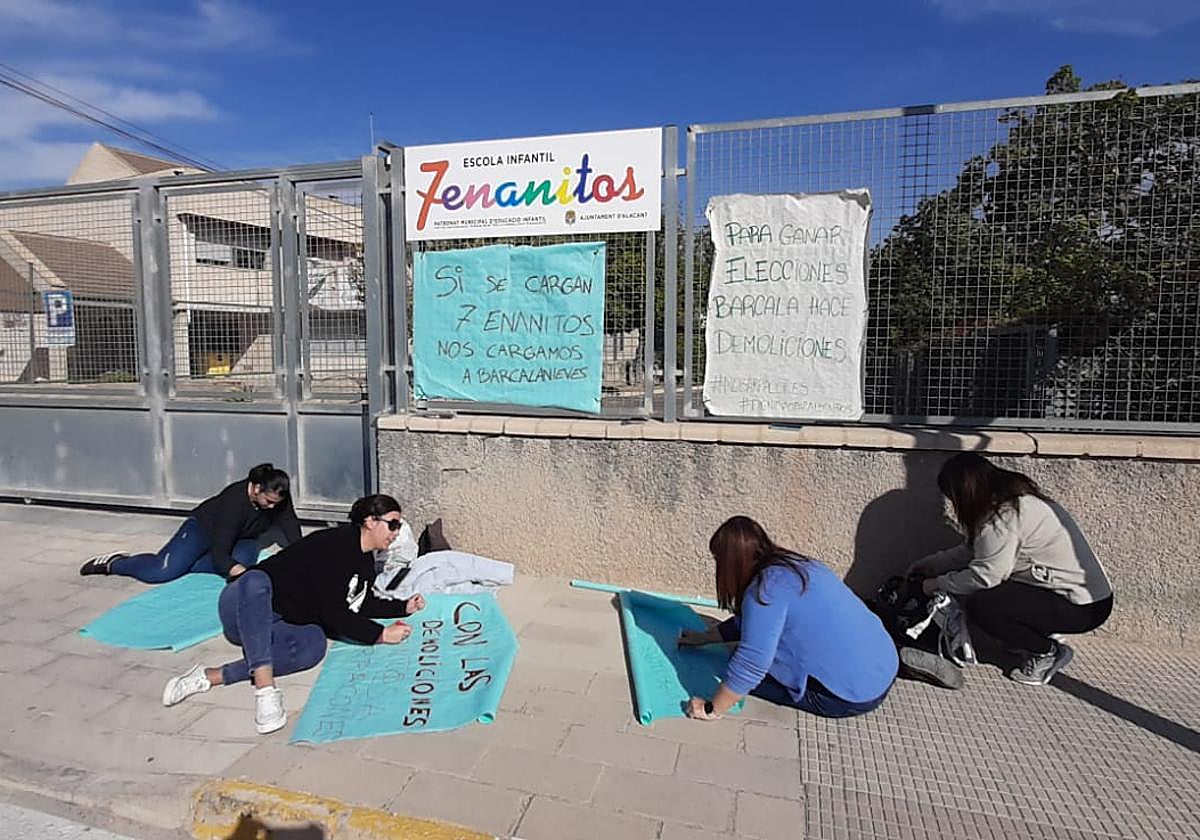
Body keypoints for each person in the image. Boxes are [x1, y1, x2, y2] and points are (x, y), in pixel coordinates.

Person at [159, 494, 426, 734]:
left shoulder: (366, 559)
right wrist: (379, 635)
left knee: (313, 645)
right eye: (393, 524)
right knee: (256, 579)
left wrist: (401, 607)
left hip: (277, 624)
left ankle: (209, 676)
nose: (396, 532)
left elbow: (359, 603)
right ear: (370, 521)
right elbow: (334, 613)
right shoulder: (332, 545)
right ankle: (265, 690)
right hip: (242, 606)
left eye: (399, 526)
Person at [908, 452, 1113, 686]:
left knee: (984, 606)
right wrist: (930, 564)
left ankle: (1046, 652)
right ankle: (1027, 637)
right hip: (1087, 598)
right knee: (996, 597)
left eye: (953, 500)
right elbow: (974, 551)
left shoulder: (1003, 518)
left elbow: (985, 576)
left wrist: (935, 584)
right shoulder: (1016, 501)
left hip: (1082, 607)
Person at [680, 516, 898, 721]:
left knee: (737, 662)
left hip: (851, 698)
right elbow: (755, 621)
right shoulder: (797, 566)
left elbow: (752, 663)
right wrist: (707, 637)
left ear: (731, 564)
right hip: (885, 666)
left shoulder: (763, 593)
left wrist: (711, 709)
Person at [79, 463, 302, 583]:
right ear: (255, 488)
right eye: (268, 501)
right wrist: (236, 570)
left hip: (242, 538)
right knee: (162, 572)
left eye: (276, 503)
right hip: (204, 529)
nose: (273, 507)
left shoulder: (278, 496)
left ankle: (184, 563)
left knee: (244, 561)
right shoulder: (234, 501)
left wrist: (303, 554)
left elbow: (290, 525)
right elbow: (221, 550)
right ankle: (115, 563)